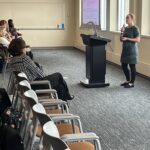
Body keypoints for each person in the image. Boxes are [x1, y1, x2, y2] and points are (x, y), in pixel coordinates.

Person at [8, 38, 74, 101]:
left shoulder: (11, 61)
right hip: (35, 85)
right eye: (25, 47)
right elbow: (40, 74)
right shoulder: (24, 58)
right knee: (58, 76)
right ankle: (67, 96)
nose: (25, 49)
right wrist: (38, 66)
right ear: (21, 49)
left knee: (60, 86)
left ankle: (64, 103)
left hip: (25, 87)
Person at [120, 13, 140, 88]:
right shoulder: (125, 28)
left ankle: (132, 83)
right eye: (126, 18)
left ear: (132, 19)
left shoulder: (135, 28)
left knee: (132, 66)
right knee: (123, 65)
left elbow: (138, 39)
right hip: (125, 50)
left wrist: (127, 38)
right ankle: (128, 80)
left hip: (132, 51)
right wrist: (121, 32)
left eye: (128, 18)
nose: (126, 19)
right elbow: (121, 39)